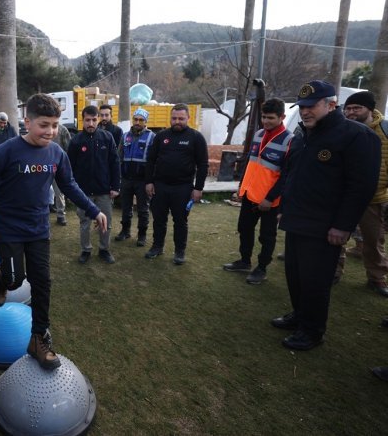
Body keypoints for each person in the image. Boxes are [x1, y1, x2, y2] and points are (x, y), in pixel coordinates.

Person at [0, 93, 107, 370]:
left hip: (38, 228)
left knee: (42, 282)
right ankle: (3, 277)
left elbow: (70, 185)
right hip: (9, 227)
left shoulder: (56, 153)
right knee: (14, 281)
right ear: (28, 122)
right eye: (44, 125)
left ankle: (39, 338)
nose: (50, 131)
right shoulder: (7, 151)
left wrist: (94, 210)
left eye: (55, 125)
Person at [271, 80, 380, 351]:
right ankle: (299, 315)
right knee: (295, 274)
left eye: (311, 106)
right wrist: (284, 207)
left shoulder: (355, 136)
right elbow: (292, 175)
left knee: (315, 279)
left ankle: (312, 330)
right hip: (297, 218)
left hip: (324, 225)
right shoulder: (304, 134)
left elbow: (361, 186)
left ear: (331, 105)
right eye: (302, 107)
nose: (305, 111)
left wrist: (342, 225)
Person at [223, 98, 293, 284]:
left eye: (271, 118)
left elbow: (286, 176)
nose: (266, 121)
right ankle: (244, 261)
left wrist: (270, 199)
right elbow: (251, 164)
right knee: (244, 228)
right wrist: (242, 187)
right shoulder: (259, 134)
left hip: (270, 201)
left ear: (282, 117)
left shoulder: (290, 141)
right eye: (263, 117)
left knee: (266, 236)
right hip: (249, 195)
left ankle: (261, 268)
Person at [336, 91, 388, 296]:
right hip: (343, 195)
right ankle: (334, 272)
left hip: (374, 197)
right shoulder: (341, 129)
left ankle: (377, 278)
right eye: (348, 108)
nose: (351, 112)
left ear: (369, 109)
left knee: (373, 241)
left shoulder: (384, 130)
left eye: (356, 108)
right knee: (336, 237)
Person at [144, 103, 209, 265]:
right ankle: (157, 246)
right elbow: (150, 160)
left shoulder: (196, 137)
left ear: (188, 118)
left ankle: (180, 252)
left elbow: (203, 165)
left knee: (180, 221)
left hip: (183, 187)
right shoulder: (161, 136)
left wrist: (198, 188)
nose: (177, 121)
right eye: (174, 118)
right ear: (170, 118)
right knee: (159, 219)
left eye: (181, 118)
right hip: (160, 186)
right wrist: (149, 182)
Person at [68, 105, 120, 264]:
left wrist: (115, 186)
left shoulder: (107, 137)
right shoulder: (76, 141)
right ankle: (86, 250)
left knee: (106, 222)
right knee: (85, 223)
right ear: (82, 121)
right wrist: (73, 191)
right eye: (87, 120)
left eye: (94, 120)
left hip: (104, 190)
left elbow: (114, 162)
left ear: (99, 120)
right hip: (83, 192)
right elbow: (69, 167)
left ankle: (104, 249)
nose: (91, 123)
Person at [115, 108, 155, 247]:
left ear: (145, 122)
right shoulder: (125, 136)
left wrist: (151, 181)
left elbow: (155, 161)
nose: (137, 122)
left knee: (143, 209)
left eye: (141, 120)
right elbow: (118, 157)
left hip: (143, 181)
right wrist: (118, 176)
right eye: (136, 119)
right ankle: (125, 231)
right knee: (126, 207)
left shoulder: (152, 137)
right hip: (126, 179)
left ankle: (142, 235)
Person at [52, 124, 71, 225]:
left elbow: (68, 148)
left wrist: (65, 165)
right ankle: (40, 216)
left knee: (59, 192)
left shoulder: (63, 130)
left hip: (58, 166)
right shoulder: (42, 127)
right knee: (41, 192)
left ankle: (61, 215)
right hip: (42, 166)